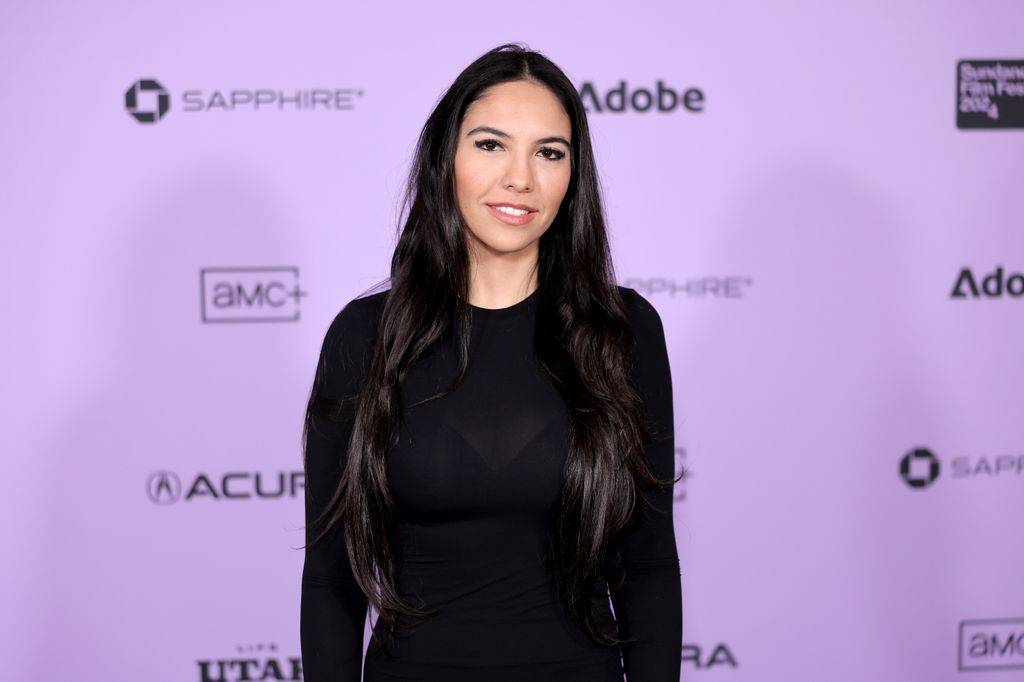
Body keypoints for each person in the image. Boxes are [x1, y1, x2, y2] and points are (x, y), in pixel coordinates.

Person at [300, 43, 682, 682]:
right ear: (445, 158)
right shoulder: (365, 336)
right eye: (490, 145)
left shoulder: (622, 331)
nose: (520, 179)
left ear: (572, 177)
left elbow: (647, 569)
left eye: (549, 153)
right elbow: (331, 582)